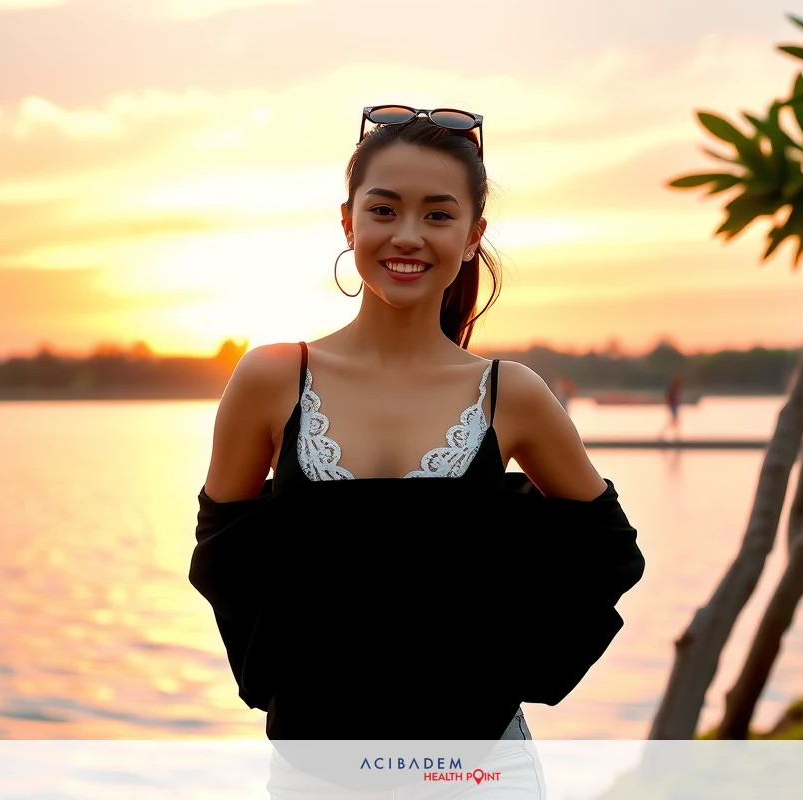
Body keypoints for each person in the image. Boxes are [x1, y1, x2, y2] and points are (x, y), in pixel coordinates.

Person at [191, 106, 645, 793]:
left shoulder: (509, 394)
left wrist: (493, 665)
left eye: (438, 214)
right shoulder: (270, 379)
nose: (408, 235)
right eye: (385, 209)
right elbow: (225, 558)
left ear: (472, 236)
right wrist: (295, 684)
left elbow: (607, 552)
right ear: (348, 221)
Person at [658, 374, 683, 441]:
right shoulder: (672, 389)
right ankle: (675, 437)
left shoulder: (674, 389)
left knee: (674, 421)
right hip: (673, 406)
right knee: (674, 421)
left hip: (674, 406)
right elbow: (669, 398)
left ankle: (675, 436)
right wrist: (670, 404)